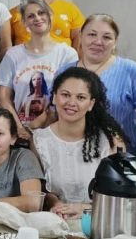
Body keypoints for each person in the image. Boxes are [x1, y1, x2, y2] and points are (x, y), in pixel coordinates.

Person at [57, 14, 136, 160]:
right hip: (74, 157)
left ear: (115, 41)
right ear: (81, 36)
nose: (98, 42)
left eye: (107, 37)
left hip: (123, 159)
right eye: (91, 34)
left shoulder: (131, 70)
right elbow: (55, 115)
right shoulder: (64, 72)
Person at [33, 67, 124, 219]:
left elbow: (120, 195)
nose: (72, 102)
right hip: (56, 222)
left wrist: (85, 209)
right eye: (65, 95)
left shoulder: (110, 140)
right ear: (54, 97)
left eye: (81, 97)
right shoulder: (38, 140)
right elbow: (41, 190)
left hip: (99, 222)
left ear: (91, 104)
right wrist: (56, 205)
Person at [0, 0, 78, 140]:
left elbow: (69, 95)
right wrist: (19, 128)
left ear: (50, 16)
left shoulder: (67, 54)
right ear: (24, 22)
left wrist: (40, 125)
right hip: (19, 133)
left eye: (41, 13)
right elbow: (4, 97)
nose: (37, 18)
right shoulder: (13, 55)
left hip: (56, 131)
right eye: (30, 16)